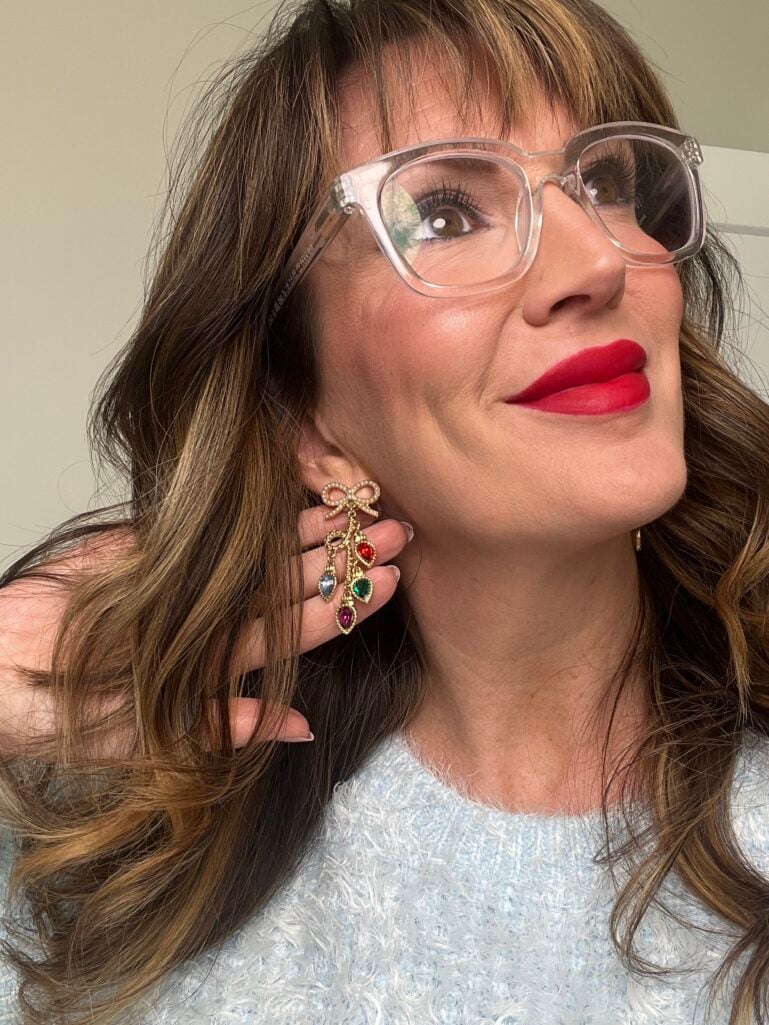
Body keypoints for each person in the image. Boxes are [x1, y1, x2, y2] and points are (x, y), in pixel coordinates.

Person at [1, 0, 769, 1022]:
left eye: (606, 182)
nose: (595, 261)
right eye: (445, 211)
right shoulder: (112, 854)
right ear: (304, 413)